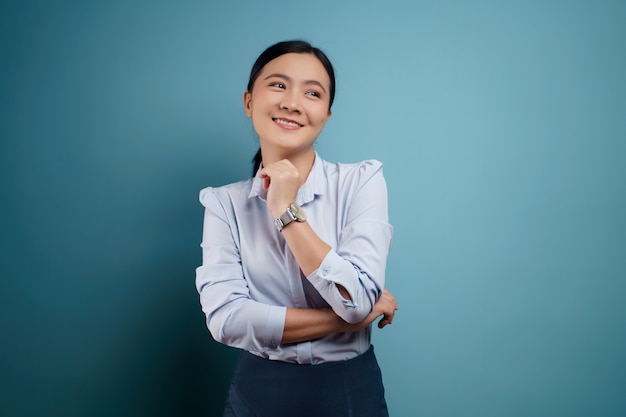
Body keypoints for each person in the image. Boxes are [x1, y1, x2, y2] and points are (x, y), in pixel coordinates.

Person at [195, 40, 398, 417]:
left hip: (350, 389)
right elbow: (226, 320)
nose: (292, 102)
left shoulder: (361, 181)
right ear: (248, 101)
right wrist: (350, 319)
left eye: (312, 92)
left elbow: (355, 301)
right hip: (259, 392)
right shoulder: (223, 204)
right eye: (277, 85)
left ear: (326, 113)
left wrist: (286, 210)